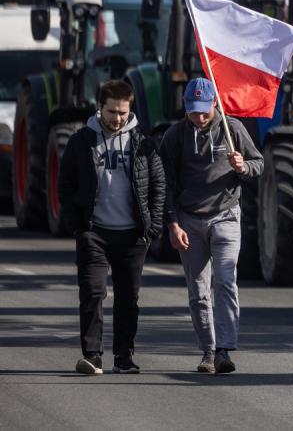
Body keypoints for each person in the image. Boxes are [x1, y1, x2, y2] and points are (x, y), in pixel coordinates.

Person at [59, 79, 165, 375]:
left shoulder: (143, 142)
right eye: (111, 112)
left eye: (122, 112)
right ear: (100, 107)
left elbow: (157, 184)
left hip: (133, 235)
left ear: (129, 110)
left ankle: (124, 357)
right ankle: (92, 356)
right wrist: (78, 227)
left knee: (128, 298)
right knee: (92, 292)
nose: (116, 118)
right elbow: (65, 184)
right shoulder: (82, 141)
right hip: (95, 232)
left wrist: (151, 228)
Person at [162, 77, 262, 375]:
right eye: (194, 111)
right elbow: (165, 183)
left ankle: (224, 350)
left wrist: (243, 167)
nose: (200, 117)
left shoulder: (233, 129)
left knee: (225, 280)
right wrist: (173, 223)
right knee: (198, 289)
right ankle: (207, 349)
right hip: (189, 220)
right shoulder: (175, 136)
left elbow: (259, 164)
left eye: (205, 111)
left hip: (226, 215)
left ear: (215, 104)